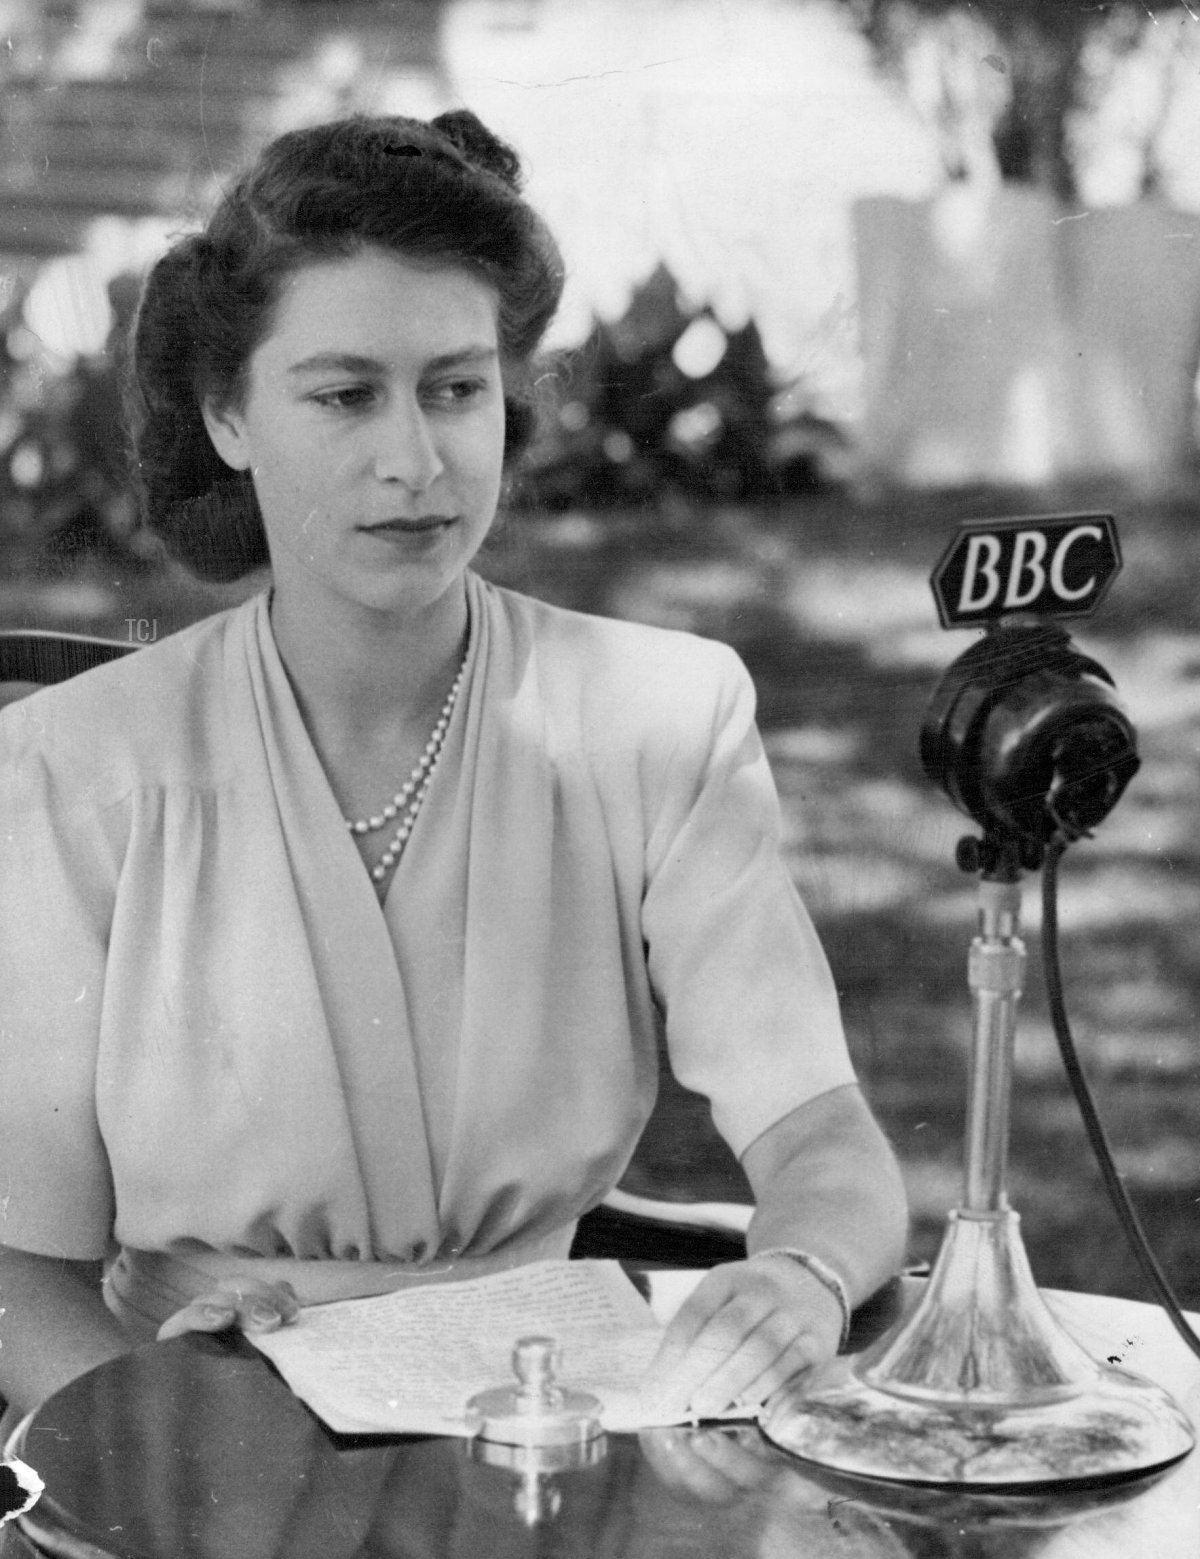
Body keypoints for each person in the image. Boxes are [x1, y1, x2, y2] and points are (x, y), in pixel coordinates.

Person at [0, 109, 907, 1432]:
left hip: (551, 1447)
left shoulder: (655, 720)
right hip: (193, 1483)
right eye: (345, 394)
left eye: (455, 387)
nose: (414, 462)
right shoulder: (74, 769)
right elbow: (20, 1274)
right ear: (230, 417)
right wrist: (172, 1440)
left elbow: (823, 1136)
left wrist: (806, 1280)